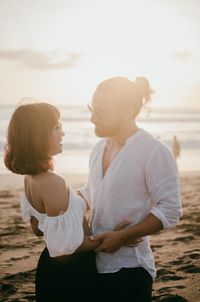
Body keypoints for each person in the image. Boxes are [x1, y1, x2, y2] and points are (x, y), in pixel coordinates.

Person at [78, 76, 183, 302]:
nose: (92, 118)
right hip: (93, 265)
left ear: (126, 111)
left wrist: (123, 235)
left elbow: (171, 210)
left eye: (100, 112)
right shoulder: (98, 148)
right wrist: (60, 204)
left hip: (130, 270)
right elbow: (92, 191)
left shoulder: (154, 151)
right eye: (91, 109)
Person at [4, 102, 101, 301]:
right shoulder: (53, 182)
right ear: (38, 137)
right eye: (57, 127)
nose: (63, 133)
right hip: (72, 275)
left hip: (50, 270)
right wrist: (111, 237)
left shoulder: (30, 178)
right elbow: (65, 250)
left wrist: (76, 203)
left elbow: (38, 228)